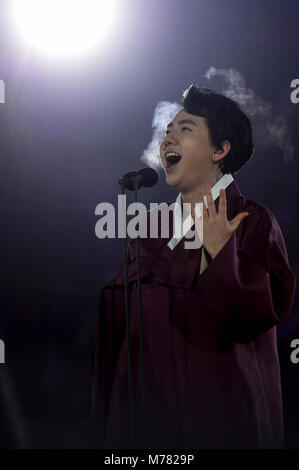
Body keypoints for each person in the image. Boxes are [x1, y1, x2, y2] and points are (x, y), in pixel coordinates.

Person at [91, 83, 296, 449]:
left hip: (221, 422)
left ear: (220, 150)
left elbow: (257, 314)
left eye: (184, 129)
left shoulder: (252, 222)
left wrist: (220, 254)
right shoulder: (149, 230)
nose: (169, 137)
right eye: (167, 130)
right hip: (145, 427)